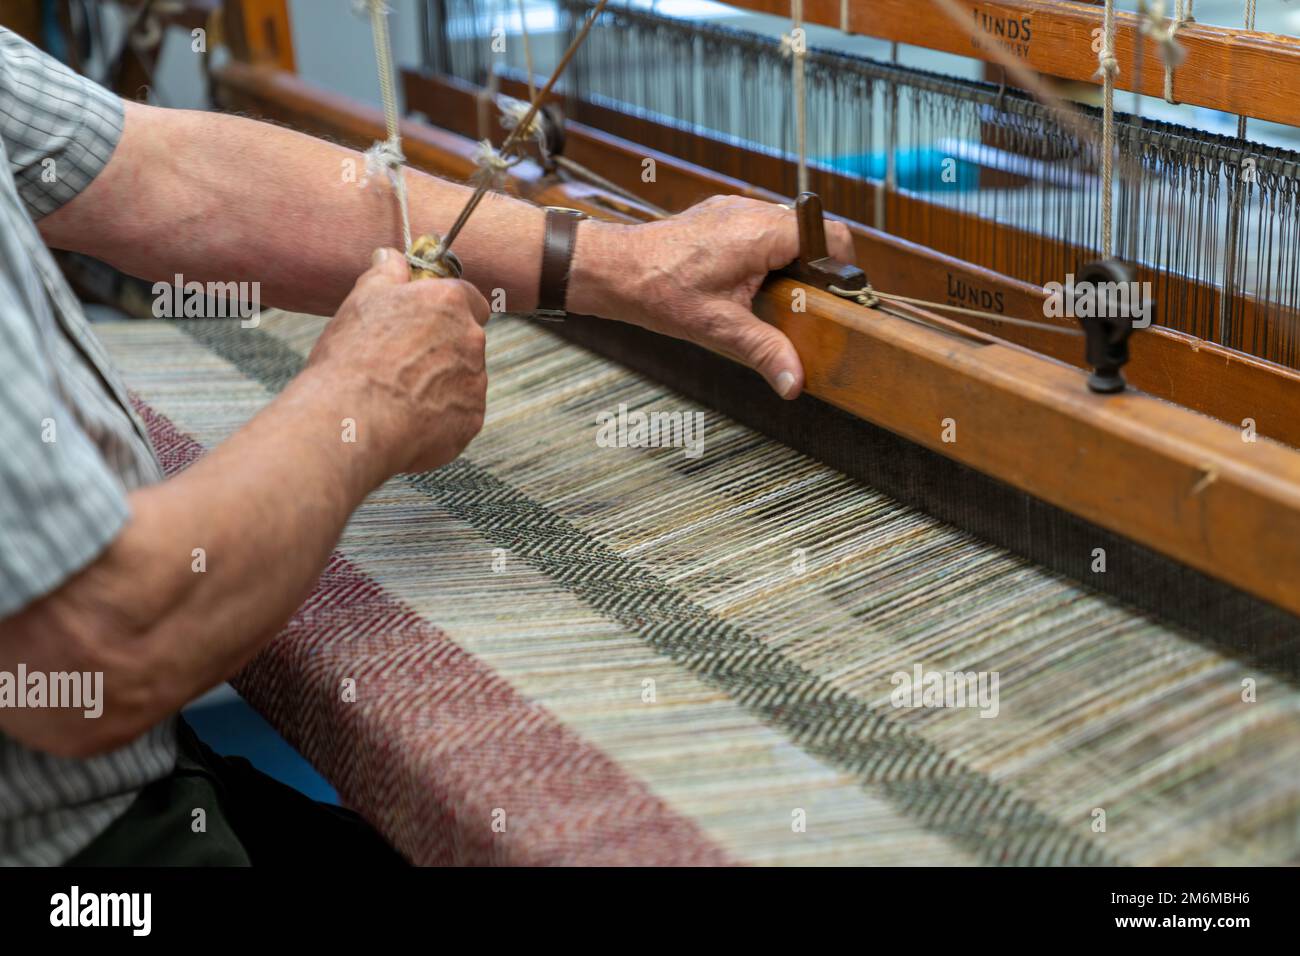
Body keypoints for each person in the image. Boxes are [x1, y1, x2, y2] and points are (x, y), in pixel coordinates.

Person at [0, 25, 854, 864]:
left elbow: (164, 176)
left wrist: (623, 266)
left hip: (148, 779)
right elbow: (97, 644)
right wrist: (367, 402)